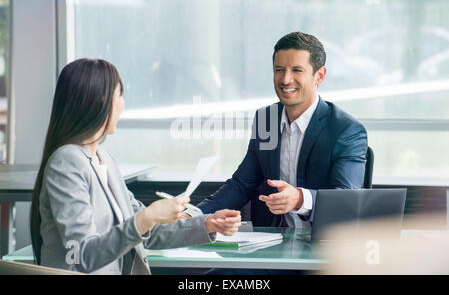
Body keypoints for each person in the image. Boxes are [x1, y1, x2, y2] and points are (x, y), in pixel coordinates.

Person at [30, 58, 241, 275]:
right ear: (102, 101)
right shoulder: (67, 162)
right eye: (120, 94)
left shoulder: (105, 160)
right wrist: (147, 217)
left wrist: (208, 223)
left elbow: (147, 232)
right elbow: (83, 255)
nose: (123, 104)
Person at [187, 31, 368, 231]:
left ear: (320, 76)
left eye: (297, 70)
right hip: (271, 243)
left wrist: (300, 199)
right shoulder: (267, 119)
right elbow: (241, 185)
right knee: (215, 264)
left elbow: (346, 200)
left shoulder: (346, 130)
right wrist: (191, 217)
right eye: (279, 69)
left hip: (323, 246)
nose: (285, 79)